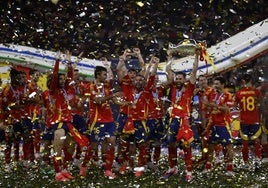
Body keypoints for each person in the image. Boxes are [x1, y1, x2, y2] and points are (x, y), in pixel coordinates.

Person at [162, 47, 199, 182]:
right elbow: (168, 72)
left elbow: (194, 71)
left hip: (184, 121)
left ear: (184, 80)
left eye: (179, 78)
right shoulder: (172, 88)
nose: (177, 80)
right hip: (173, 120)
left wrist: (196, 56)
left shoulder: (189, 88)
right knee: (171, 144)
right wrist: (169, 58)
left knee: (186, 145)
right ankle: (173, 168)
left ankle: (189, 171)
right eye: (176, 78)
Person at [87, 65, 123, 179]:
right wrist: (112, 95)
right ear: (98, 75)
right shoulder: (91, 87)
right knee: (94, 145)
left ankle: (107, 169)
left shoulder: (106, 88)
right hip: (97, 120)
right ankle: (84, 165)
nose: (106, 76)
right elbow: (98, 100)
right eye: (104, 74)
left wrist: (127, 104)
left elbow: (114, 101)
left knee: (111, 142)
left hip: (109, 120)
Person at [202, 76, 234, 176]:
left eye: (217, 84)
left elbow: (226, 110)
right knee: (211, 146)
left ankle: (229, 169)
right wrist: (206, 104)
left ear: (223, 84)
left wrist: (212, 105)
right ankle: (208, 167)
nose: (215, 86)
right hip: (213, 123)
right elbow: (209, 106)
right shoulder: (213, 95)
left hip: (223, 124)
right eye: (214, 84)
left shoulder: (228, 95)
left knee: (228, 146)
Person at [234, 74, 262, 170]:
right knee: (256, 141)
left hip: (243, 120)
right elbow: (260, 103)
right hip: (255, 120)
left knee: (245, 142)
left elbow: (235, 106)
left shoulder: (239, 93)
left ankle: (246, 163)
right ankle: (258, 160)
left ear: (243, 81)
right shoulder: (256, 91)